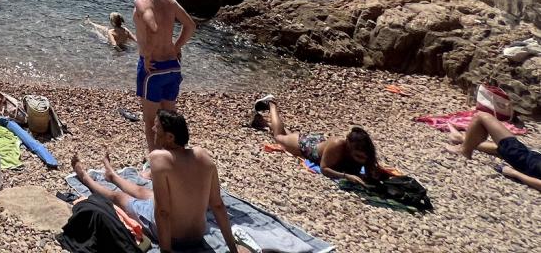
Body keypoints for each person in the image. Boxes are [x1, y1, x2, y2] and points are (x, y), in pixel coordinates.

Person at [70, 111, 250, 253]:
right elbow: (217, 205)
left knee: (119, 196)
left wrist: (165, 250)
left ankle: (85, 178)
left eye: (157, 127)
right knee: (146, 194)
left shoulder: (158, 159)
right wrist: (233, 249)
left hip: (174, 239)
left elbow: (162, 212)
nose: (153, 130)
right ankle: (113, 176)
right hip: (198, 235)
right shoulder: (202, 155)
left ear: (170, 137)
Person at [131, 0, 196, 151]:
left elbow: (152, 25)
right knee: (169, 118)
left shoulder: (142, 0)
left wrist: (148, 54)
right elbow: (190, 26)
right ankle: (173, 158)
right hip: (172, 67)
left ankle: (155, 163)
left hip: (154, 69)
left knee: (152, 122)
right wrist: (176, 47)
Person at [249, 96, 386, 184]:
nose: (361, 160)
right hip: (307, 146)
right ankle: (272, 104)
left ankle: (262, 123)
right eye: (358, 156)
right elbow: (324, 168)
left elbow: (371, 172)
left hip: (318, 143)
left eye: (363, 157)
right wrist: (346, 176)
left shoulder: (366, 153)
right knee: (279, 137)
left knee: (286, 136)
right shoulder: (337, 144)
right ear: (349, 148)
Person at [445, 112, 541, 192]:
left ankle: (464, 150)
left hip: (522, 157)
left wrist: (514, 173)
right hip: (529, 156)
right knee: (499, 149)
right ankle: (462, 139)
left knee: (482, 117)